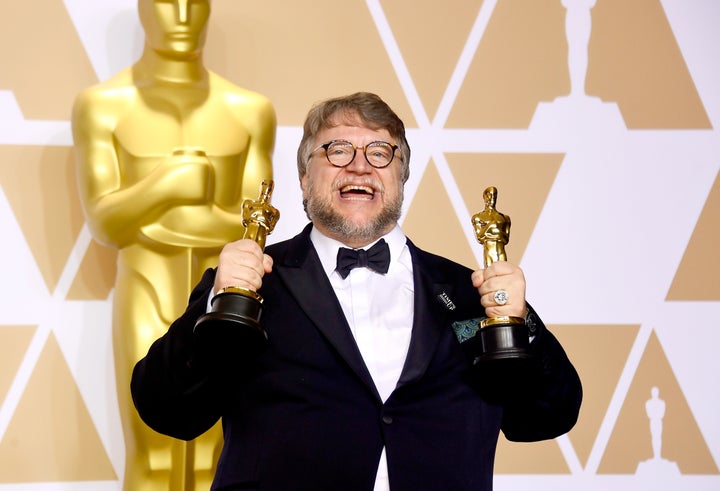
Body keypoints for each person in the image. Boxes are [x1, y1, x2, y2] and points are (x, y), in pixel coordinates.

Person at [131, 92, 582, 491]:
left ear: (402, 178)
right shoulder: (251, 282)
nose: (360, 165)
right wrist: (217, 304)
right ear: (305, 181)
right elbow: (167, 409)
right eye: (338, 150)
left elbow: (546, 416)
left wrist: (524, 325)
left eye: (381, 152)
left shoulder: (469, 294)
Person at [71, 0, 275, 489]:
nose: (182, 15)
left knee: (215, 455)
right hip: (146, 285)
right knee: (152, 455)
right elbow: (104, 222)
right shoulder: (102, 105)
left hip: (226, 298)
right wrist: (166, 184)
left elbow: (256, 226)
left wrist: (170, 210)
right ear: (143, 8)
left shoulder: (249, 110)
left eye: (194, 2)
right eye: (167, 1)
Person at [472, 186, 511, 266]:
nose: (492, 197)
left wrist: (489, 229)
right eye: (489, 194)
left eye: (494, 194)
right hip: (489, 251)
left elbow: (506, 239)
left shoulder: (505, 218)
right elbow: (480, 237)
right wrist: (492, 225)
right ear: (484, 197)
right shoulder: (478, 217)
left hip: (501, 251)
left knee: (503, 274)